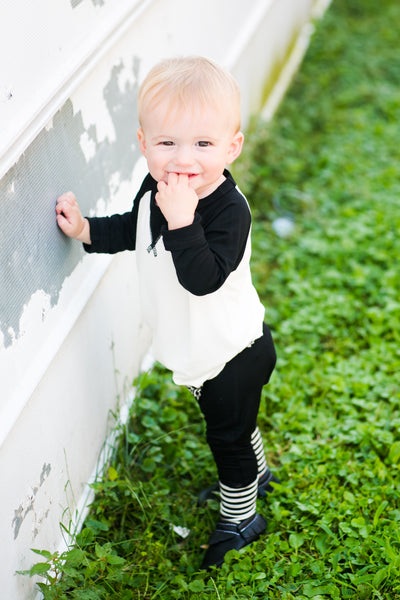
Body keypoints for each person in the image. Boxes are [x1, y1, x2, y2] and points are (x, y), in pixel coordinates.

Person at [56, 56, 278, 570]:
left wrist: (183, 222)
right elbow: (133, 230)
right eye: (167, 144)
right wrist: (86, 230)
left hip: (230, 353)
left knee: (227, 436)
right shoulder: (155, 189)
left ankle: (243, 513)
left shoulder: (228, 210)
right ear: (143, 144)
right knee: (236, 423)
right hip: (206, 351)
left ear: (232, 146)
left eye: (203, 144)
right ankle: (257, 476)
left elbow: (202, 279)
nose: (184, 159)